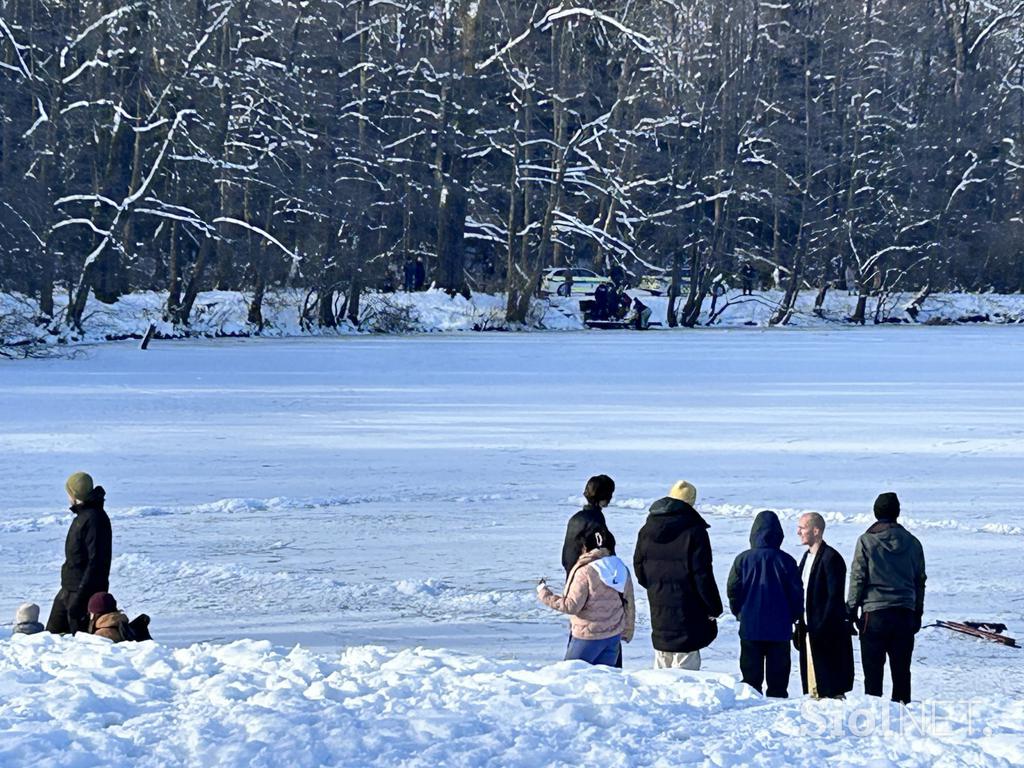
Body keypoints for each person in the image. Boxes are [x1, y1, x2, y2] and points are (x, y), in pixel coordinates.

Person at [634, 481, 723, 670]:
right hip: (688, 614)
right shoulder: (695, 531)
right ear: (690, 503)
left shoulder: (647, 529)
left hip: (659, 609)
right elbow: (702, 575)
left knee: (661, 668)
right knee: (686, 674)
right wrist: (714, 607)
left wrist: (657, 586)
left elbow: (639, 568)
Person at [847, 492, 926, 704]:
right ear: (897, 512)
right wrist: (917, 612)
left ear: (875, 512)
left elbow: (858, 577)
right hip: (904, 613)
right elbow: (919, 581)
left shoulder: (866, 541)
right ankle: (903, 713)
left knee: (872, 673)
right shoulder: (913, 543)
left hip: (874, 615)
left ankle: (874, 714)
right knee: (902, 672)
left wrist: (851, 609)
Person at [727, 510, 803, 697]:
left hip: (751, 626)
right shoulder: (787, 560)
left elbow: (733, 590)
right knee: (778, 683)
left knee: (751, 683)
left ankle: (751, 708)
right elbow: (797, 593)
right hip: (780, 628)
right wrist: (794, 615)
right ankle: (778, 707)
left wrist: (740, 612)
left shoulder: (743, 559)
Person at [538, 528, 635, 666]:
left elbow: (571, 606)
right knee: (604, 677)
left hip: (587, 637)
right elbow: (629, 603)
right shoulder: (621, 568)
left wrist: (544, 593)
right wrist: (627, 631)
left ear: (586, 548)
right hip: (613, 636)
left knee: (571, 675)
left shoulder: (585, 571)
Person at [794, 513, 854, 699]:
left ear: (816, 531)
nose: (798, 532)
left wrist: (821, 626)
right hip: (808, 631)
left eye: (802, 528)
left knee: (829, 689)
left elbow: (834, 599)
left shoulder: (831, 558)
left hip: (826, 635)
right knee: (813, 688)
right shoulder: (806, 558)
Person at [45, 472, 112, 635]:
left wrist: (80, 599)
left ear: (75, 495)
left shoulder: (94, 520)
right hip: (68, 589)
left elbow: (97, 563)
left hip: (82, 592)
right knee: (49, 637)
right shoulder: (84, 516)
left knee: (79, 640)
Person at [561, 475, 616, 575]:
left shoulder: (575, 518)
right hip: (587, 575)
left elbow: (567, 554)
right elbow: (602, 554)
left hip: (572, 571)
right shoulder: (595, 521)